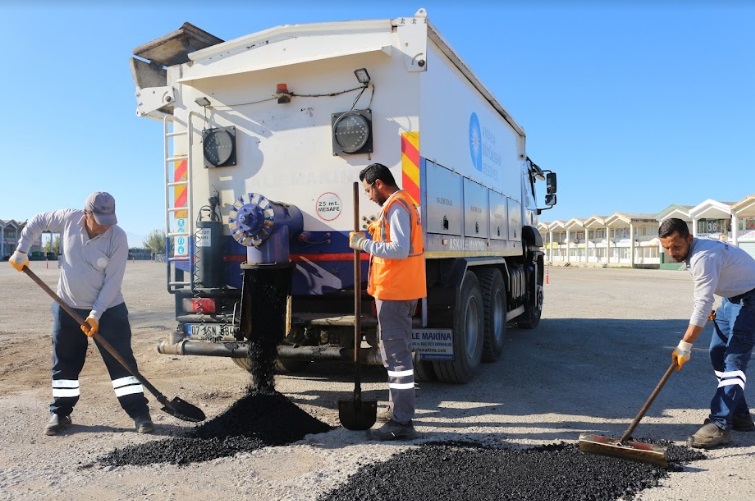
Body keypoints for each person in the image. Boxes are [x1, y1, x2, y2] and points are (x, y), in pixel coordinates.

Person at [8, 192, 153, 436]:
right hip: (68, 306)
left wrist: (95, 314)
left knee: (122, 362)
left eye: (110, 219)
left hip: (109, 309)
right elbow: (37, 221)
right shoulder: (67, 219)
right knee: (65, 362)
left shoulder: (117, 237)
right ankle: (61, 413)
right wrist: (21, 250)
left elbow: (112, 282)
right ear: (86, 214)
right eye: (100, 219)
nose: (105, 225)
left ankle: (139, 413)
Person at [659, 217, 755, 448]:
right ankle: (739, 415)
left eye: (676, 246)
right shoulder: (695, 251)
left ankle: (720, 423)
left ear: (689, 239)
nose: (671, 252)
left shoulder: (704, 256)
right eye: (666, 248)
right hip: (732, 300)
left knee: (734, 360)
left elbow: (702, 304)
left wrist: (685, 345)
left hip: (751, 299)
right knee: (717, 353)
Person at [349, 163, 427, 441]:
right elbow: (396, 239)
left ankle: (402, 422)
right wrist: (373, 230)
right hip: (400, 290)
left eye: (369, 189)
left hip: (395, 292)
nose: (369, 196)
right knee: (394, 354)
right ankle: (398, 410)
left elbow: (399, 249)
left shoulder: (395, 206)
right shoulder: (402, 203)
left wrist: (363, 244)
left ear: (379, 183)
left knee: (397, 358)